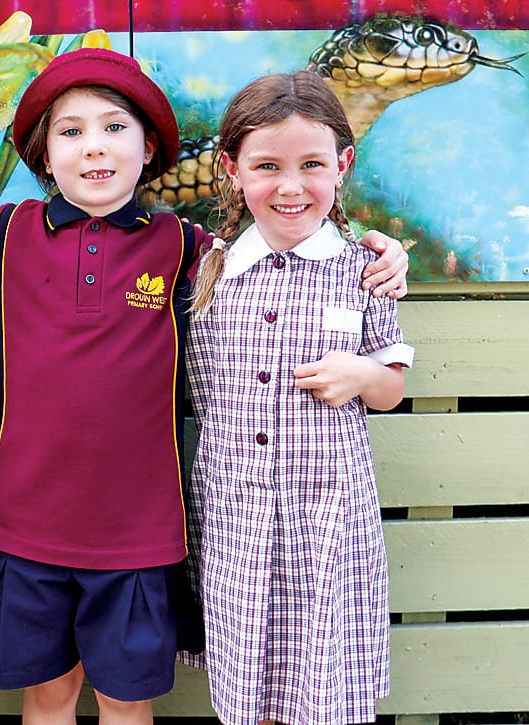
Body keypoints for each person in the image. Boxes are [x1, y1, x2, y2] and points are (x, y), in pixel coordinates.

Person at [0, 50, 409, 725]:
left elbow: (278, 244)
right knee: (47, 695)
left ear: (148, 147)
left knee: (126, 700)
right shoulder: (3, 234)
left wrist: (377, 248)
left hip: (140, 533)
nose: (93, 147)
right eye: (70, 132)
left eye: (114, 128)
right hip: (26, 528)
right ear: (44, 155)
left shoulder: (183, 246)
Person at [186, 69, 415, 725]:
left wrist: (361, 375)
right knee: (252, 682)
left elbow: (391, 389)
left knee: (319, 683)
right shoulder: (204, 270)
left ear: (341, 165)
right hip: (234, 518)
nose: (290, 187)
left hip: (327, 522)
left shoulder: (365, 271)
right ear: (231, 169)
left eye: (311, 164)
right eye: (267, 166)